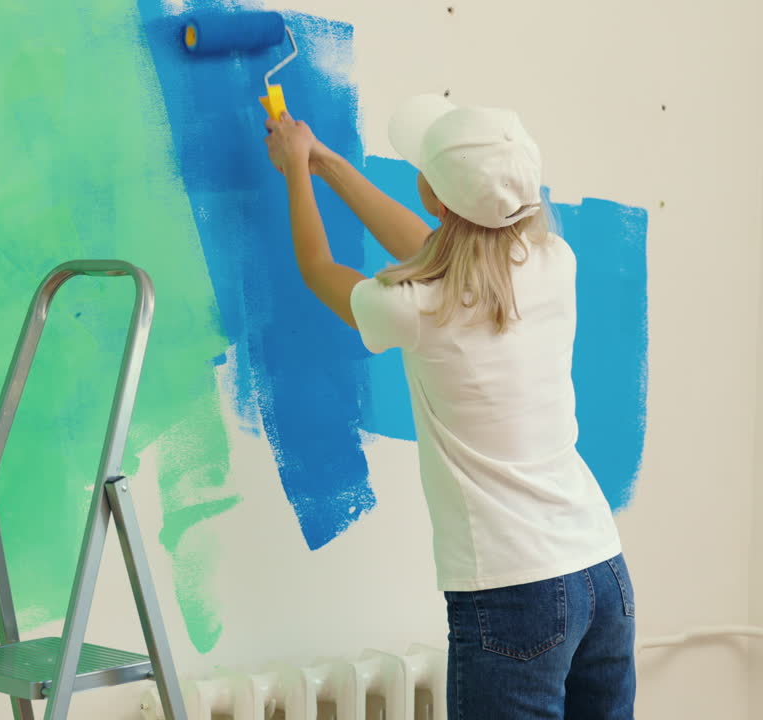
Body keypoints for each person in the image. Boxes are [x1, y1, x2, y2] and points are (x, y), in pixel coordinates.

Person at [262, 95, 636, 719]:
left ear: (432, 195)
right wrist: (323, 161)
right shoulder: (554, 262)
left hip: (513, 590)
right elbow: (436, 246)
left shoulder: (413, 307)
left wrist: (296, 172)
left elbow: (318, 267)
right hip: (601, 572)